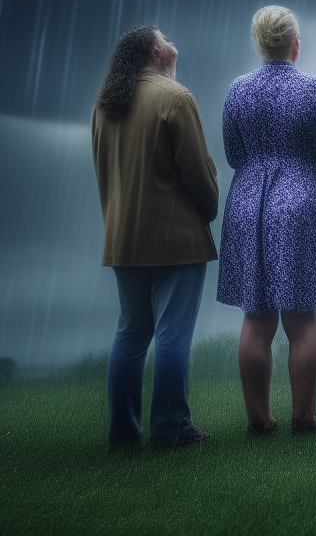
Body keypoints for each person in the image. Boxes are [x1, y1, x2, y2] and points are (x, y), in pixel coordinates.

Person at [91, 25, 217, 449]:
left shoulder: (104, 105)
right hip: (176, 239)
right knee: (172, 334)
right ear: (154, 50)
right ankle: (172, 428)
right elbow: (198, 174)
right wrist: (211, 204)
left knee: (130, 333)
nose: (174, 45)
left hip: (123, 236)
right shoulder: (175, 98)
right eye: (167, 39)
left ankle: (123, 434)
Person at [218, 6, 316, 435]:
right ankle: (304, 417)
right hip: (302, 199)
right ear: (295, 44)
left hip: (250, 201)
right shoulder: (315, 90)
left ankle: (259, 420)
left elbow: (233, 154)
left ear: (259, 42)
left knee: (257, 317)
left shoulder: (237, 90)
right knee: (303, 319)